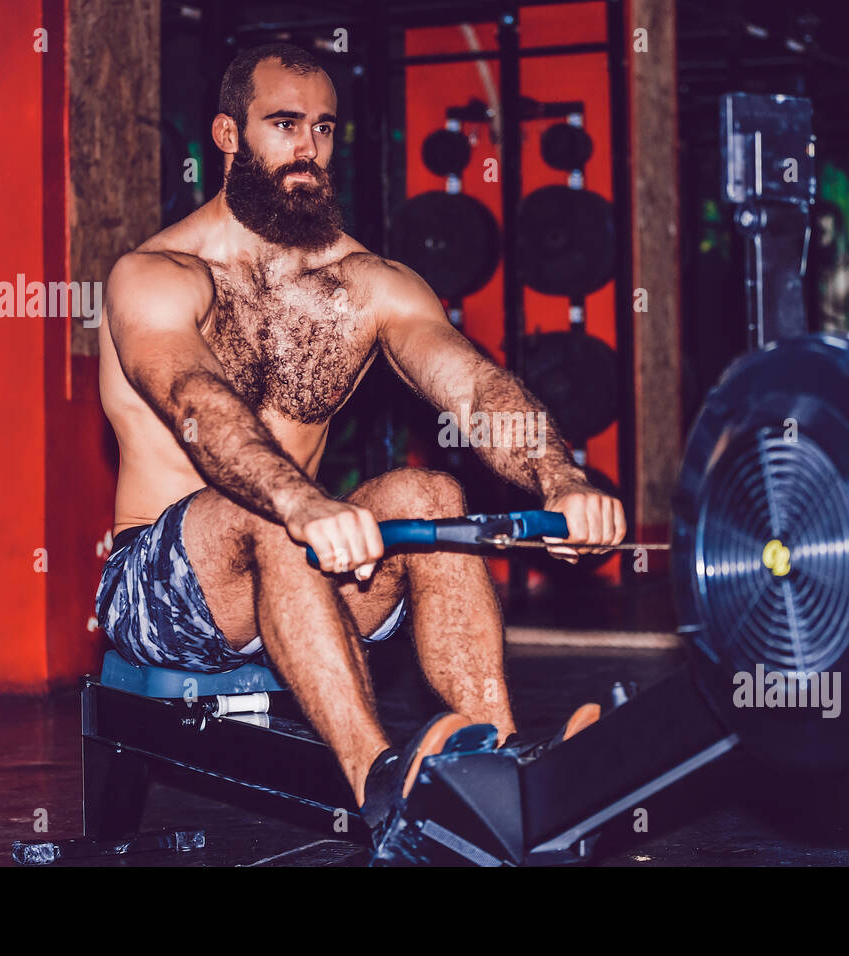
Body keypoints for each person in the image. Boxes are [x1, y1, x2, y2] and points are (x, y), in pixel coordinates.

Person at [94, 42, 625, 843]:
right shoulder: (157, 274)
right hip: (162, 588)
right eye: (283, 125)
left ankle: (500, 770)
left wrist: (561, 479)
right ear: (229, 135)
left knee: (430, 495)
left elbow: (474, 388)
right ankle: (385, 792)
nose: (308, 150)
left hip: (305, 561)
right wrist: (304, 502)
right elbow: (196, 402)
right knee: (267, 511)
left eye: (323, 128)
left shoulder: (369, 284)